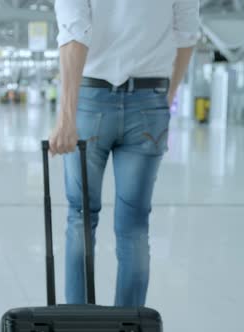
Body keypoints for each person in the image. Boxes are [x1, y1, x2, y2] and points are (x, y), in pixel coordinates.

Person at [49, 0, 199, 306]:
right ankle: (131, 324)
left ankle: (78, 321)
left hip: (89, 101)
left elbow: (75, 36)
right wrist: (166, 97)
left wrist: (65, 118)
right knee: (134, 226)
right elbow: (187, 36)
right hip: (149, 101)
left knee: (80, 217)